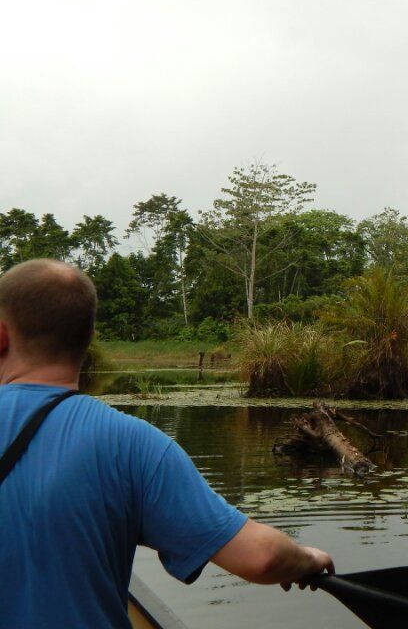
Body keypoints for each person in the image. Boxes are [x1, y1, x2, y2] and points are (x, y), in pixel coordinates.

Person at [0, 259, 333, 628]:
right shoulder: (133, 444)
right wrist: (307, 558)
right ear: (90, 337)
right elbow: (262, 557)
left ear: (1, 335)